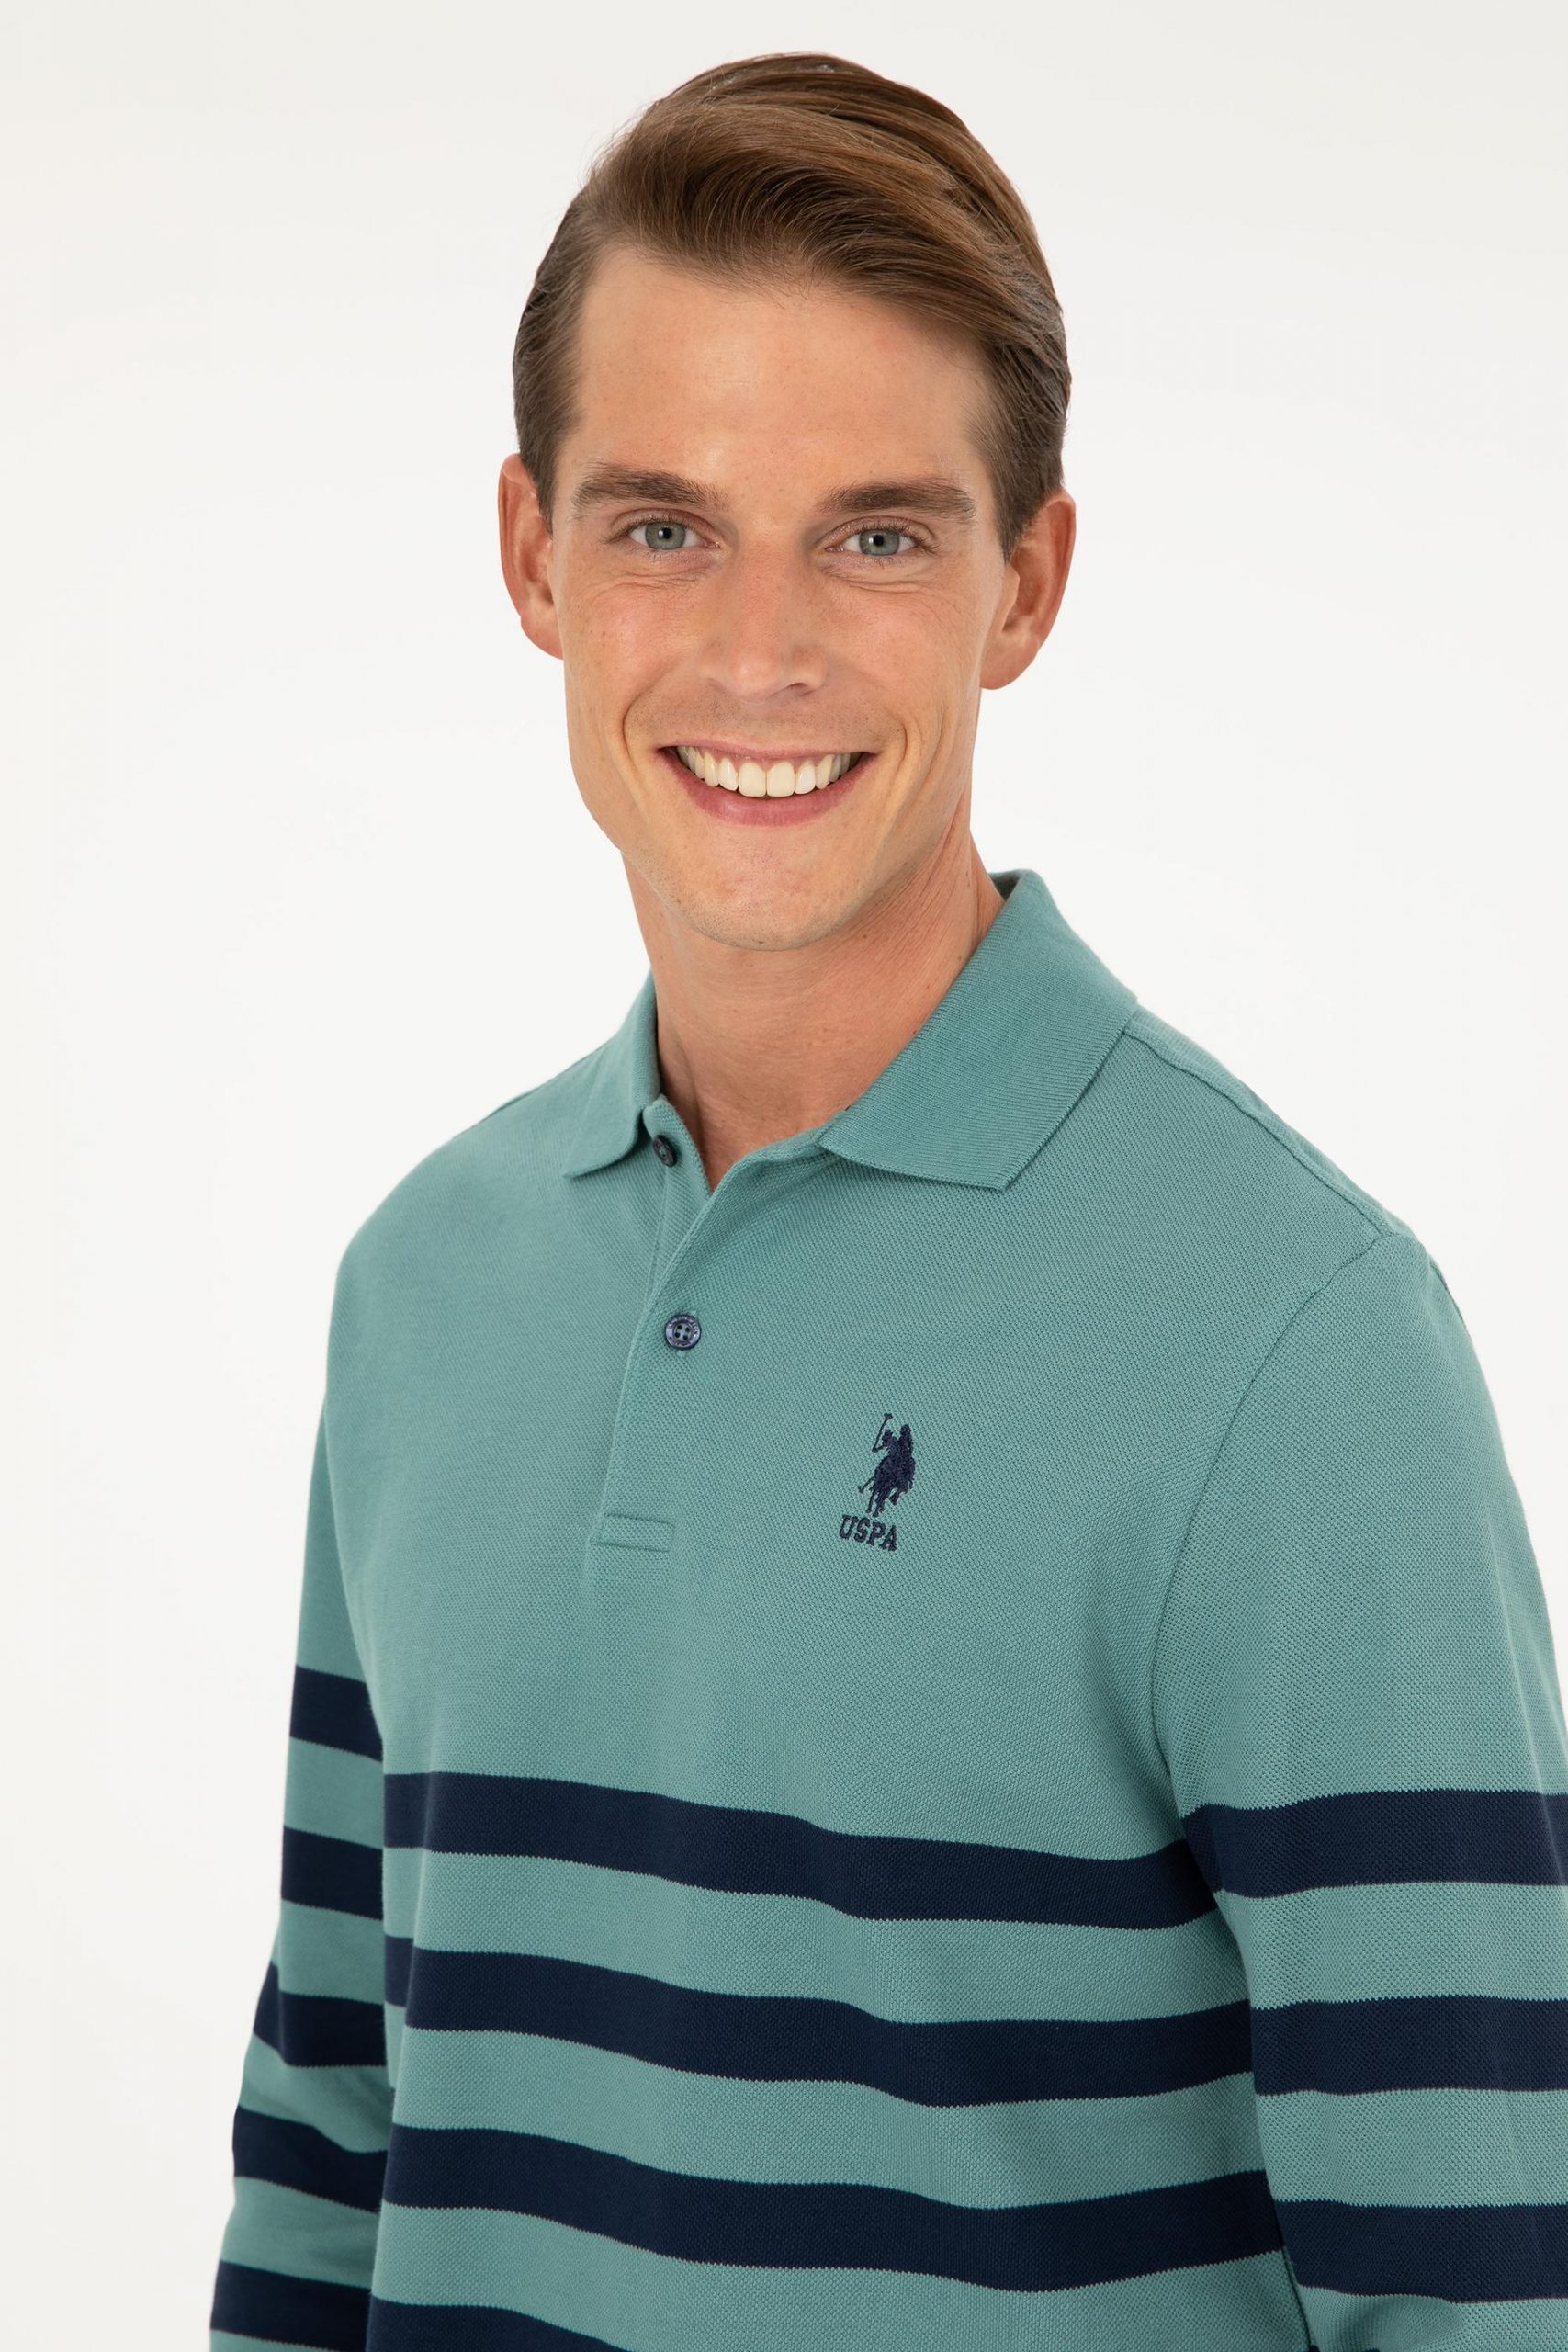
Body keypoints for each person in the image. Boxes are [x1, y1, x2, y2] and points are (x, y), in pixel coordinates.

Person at [209, 51, 1568, 2352]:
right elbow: (337, 2122)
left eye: (872, 535)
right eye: (663, 527)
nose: (758, 650)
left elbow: (1484, 2290)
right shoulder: (423, 1285)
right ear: (532, 555)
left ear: (1022, 581)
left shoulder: (1292, 1339)